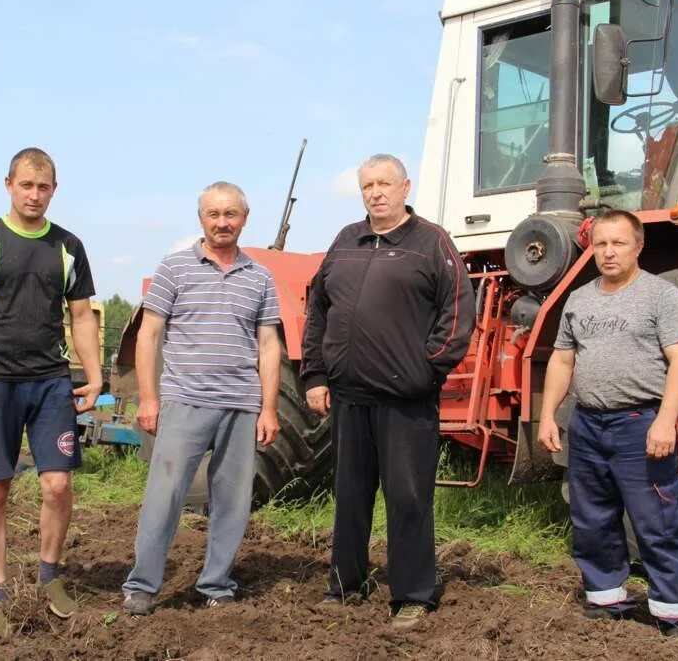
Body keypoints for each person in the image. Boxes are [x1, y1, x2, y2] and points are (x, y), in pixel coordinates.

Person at [301, 153, 475, 630]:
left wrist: (427, 370)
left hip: (406, 399)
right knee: (350, 494)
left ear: (405, 187)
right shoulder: (345, 241)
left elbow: (458, 309)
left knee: (408, 496)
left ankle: (413, 594)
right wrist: (315, 375)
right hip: (349, 396)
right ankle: (344, 584)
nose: (375, 192)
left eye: (384, 184)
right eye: (367, 186)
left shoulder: (431, 242)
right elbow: (318, 309)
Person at [0, 147, 102, 637]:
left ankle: (49, 575)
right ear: (9, 185)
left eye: (43, 187)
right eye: (26, 186)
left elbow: (81, 316)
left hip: (50, 382)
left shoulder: (68, 246)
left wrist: (96, 375)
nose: (34, 195)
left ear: (54, 190)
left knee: (57, 484)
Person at [537, 208, 678, 638]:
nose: (608, 253)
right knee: (592, 520)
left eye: (618, 243)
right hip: (587, 424)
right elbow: (562, 358)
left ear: (638, 246)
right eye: (600, 244)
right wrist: (548, 415)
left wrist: (665, 422)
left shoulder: (660, 295)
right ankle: (607, 600)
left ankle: (676, 616)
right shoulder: (580, 298)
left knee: (656, 522)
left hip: (639, 424)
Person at [122, 181, 281, 615]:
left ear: (244, 219)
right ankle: (142, 585)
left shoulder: (261, 277)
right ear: (201, 219)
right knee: (165, 494)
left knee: (232, 500)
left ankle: (216, 584)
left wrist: (268, 408)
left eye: (231, 214)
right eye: (214, 214)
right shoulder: (174, 268)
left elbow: (269, 345)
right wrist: (149, 399)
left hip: (241, 405)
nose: (222, 222)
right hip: (184, 400)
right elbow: (149, 334)